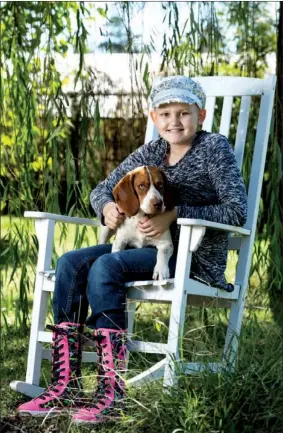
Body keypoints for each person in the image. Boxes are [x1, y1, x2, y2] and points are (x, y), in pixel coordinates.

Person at [18, 76, 247, 423]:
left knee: (105, 267)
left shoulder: (214, 148)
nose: (175, 121)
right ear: (155, 118)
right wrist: (107, 207)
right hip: (138, 245)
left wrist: (175, 213)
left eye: (184, 113)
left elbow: (237, 210)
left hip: (189, 256)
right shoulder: (151, 151)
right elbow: (104, 189)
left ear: (200, 115)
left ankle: (112, 392)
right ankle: (66, 385)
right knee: (69, 263)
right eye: (166, 113)